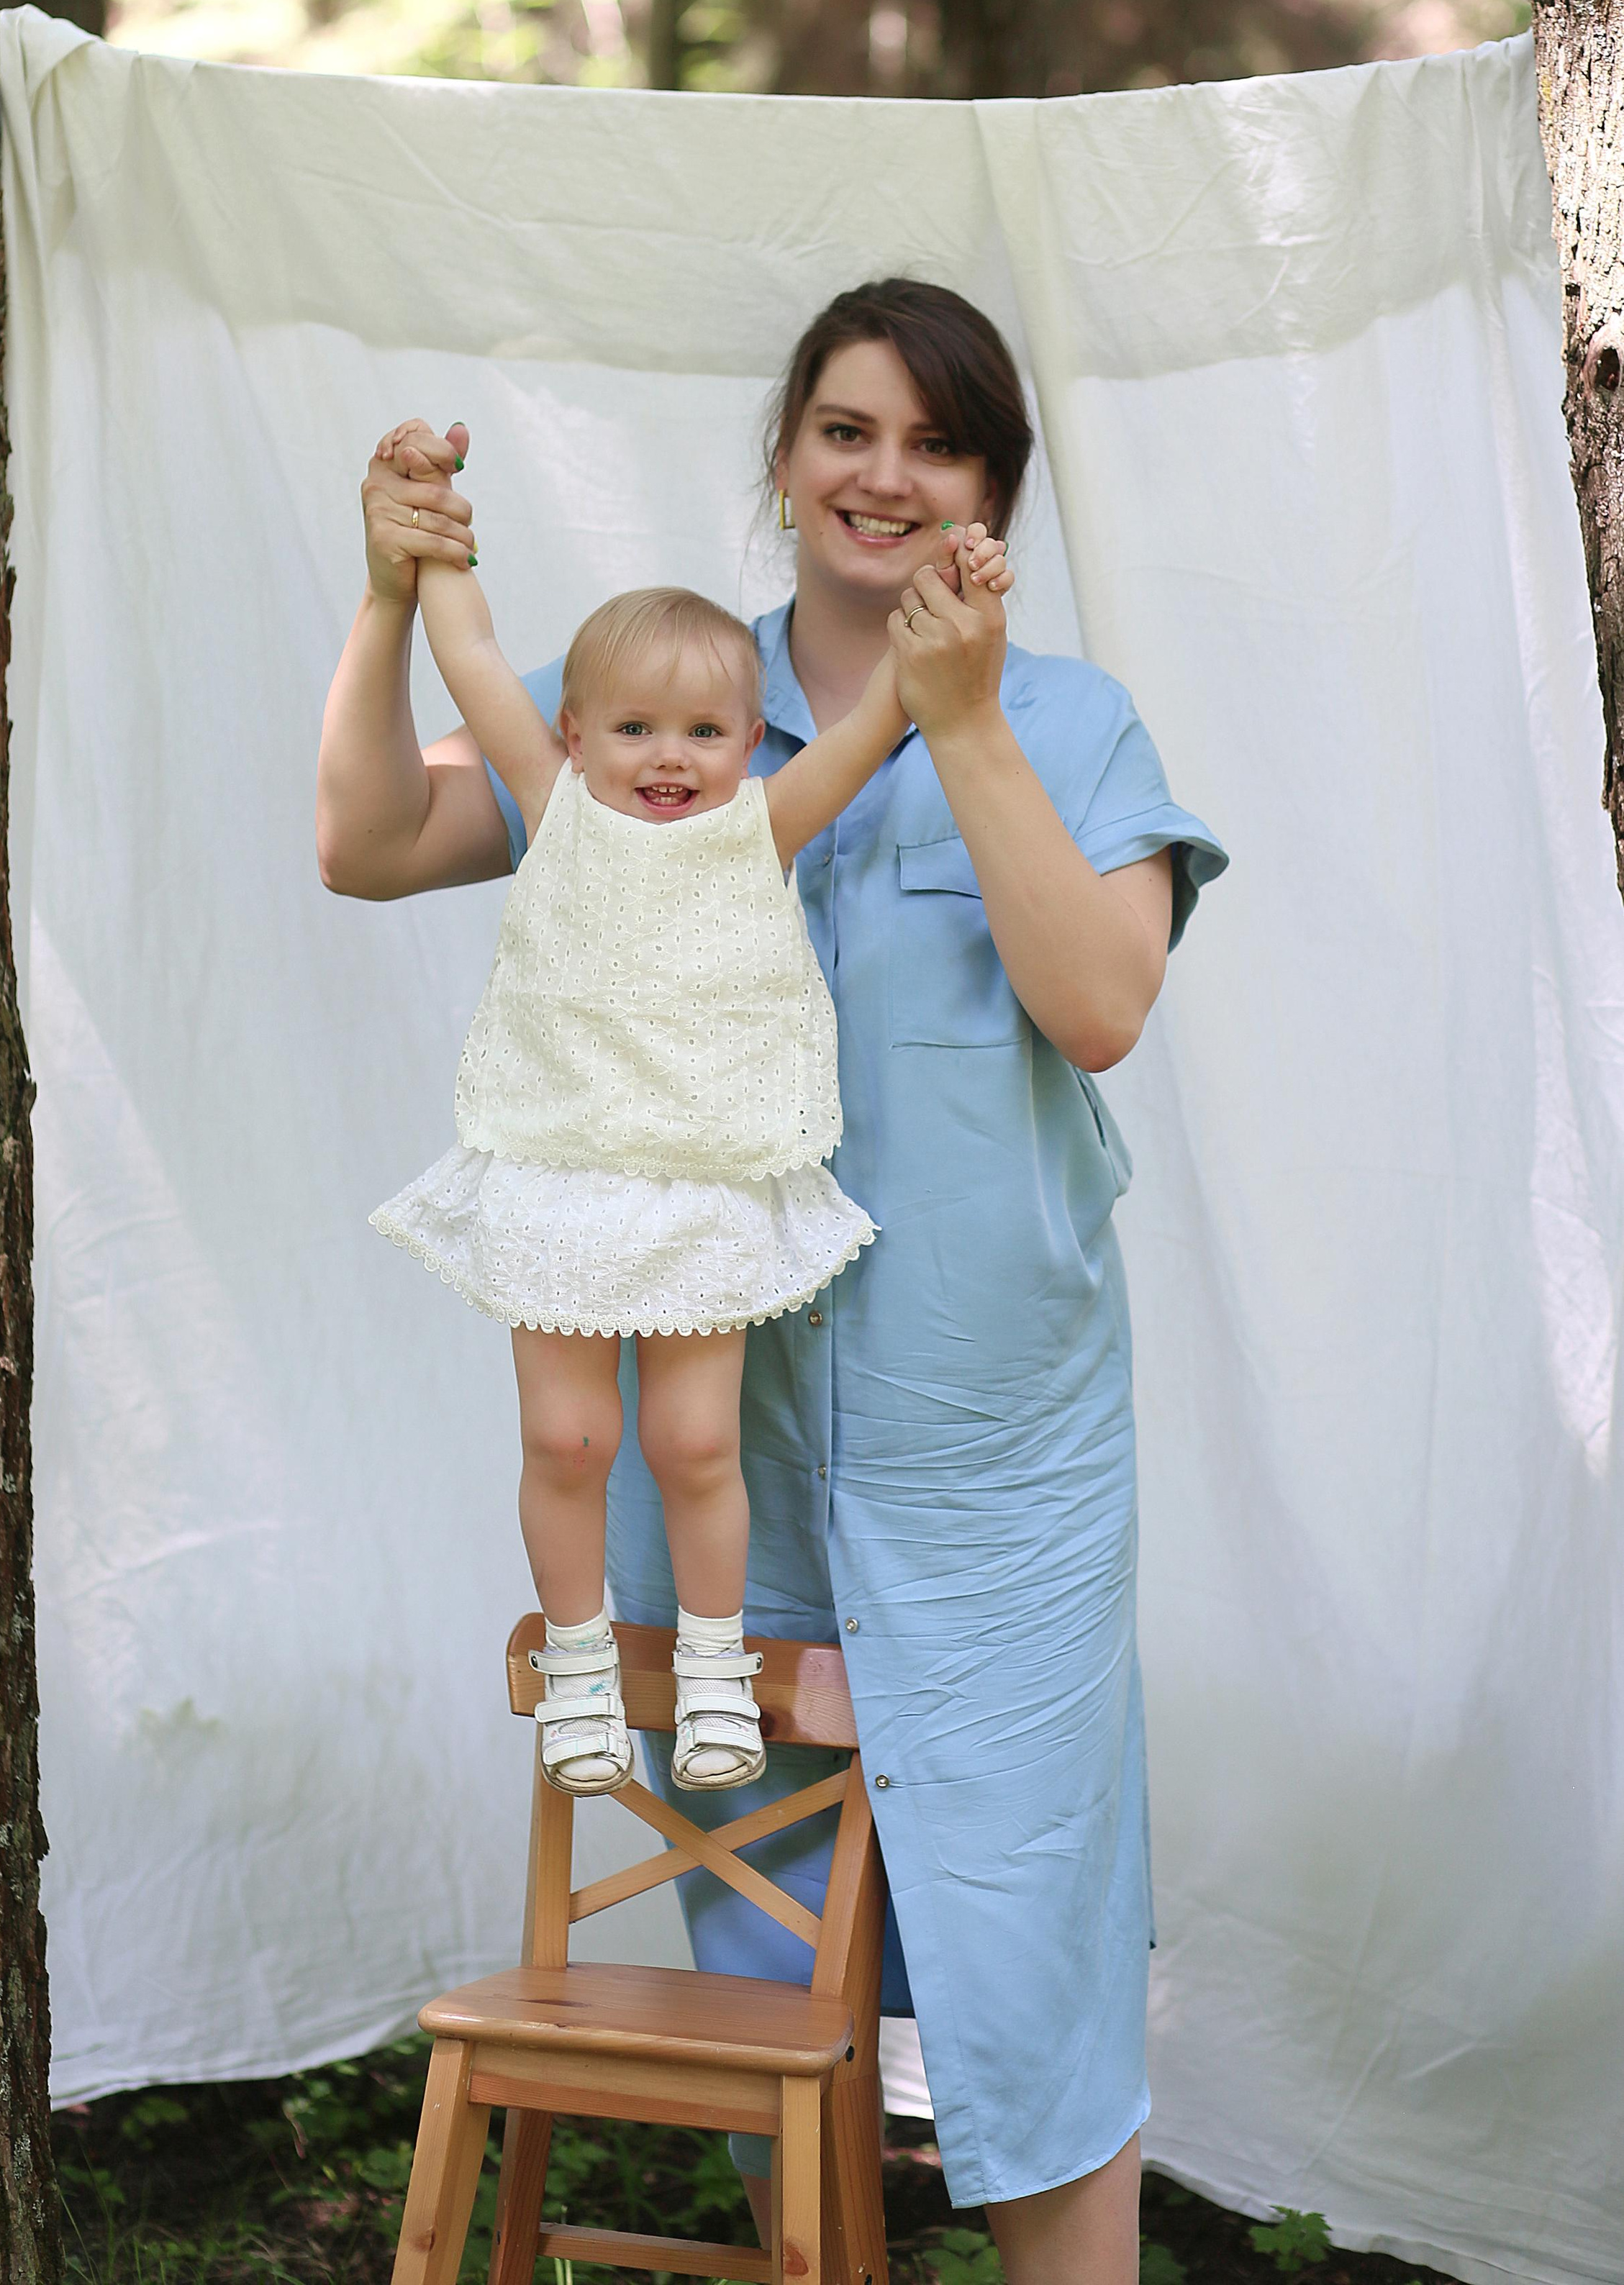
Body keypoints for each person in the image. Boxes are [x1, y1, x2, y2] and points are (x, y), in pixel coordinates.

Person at [315, 278, 1225, 2285]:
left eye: (937, 441)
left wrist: (958, 717)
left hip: (996, 1454)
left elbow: (1097, 1010)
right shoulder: (658, 690)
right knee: (762, 1946)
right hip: (716, 1442)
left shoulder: (1072, 722)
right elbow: (372, 842)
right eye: (846, 428)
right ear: (785, 454)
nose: (883, 475)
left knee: (1028, 1932)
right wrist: (390, 601)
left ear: (997, 485)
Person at [371, 537, 1008, 1796]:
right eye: (636, 728)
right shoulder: (553, 812)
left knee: (695, 1443)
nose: (672, 756)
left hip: (707, 1182)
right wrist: (434, 538)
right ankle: (577, 1663)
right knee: (566, 1439)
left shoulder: (758, 829)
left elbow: (886, 705)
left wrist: (950, 595)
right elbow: (474, 655)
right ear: (574, 734)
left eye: (708, 730)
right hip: (562, 1174)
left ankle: (714, 1668)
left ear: (752, 741)